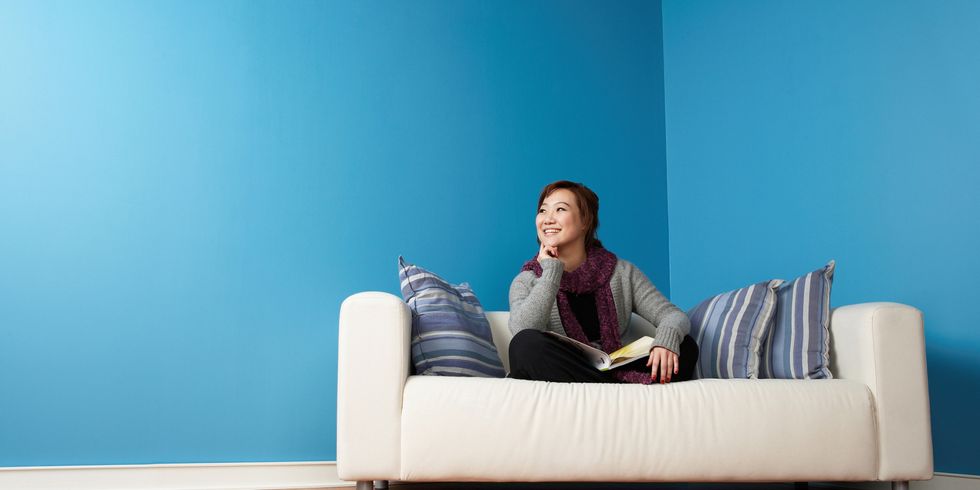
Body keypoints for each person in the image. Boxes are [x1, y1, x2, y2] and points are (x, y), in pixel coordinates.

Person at [507, 180, 699, 384]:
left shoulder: (622, 272)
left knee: (685, 346)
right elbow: (523, 329)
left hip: (613, 366)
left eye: (560, 209)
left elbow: (672, 315)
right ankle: (613, 388)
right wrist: (551, 273)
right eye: (543, 211)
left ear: (585, 221)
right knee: (525, 344)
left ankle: (604, 386)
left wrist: (665, 342)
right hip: (567, 364)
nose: (547, 219)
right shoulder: (526, 280)